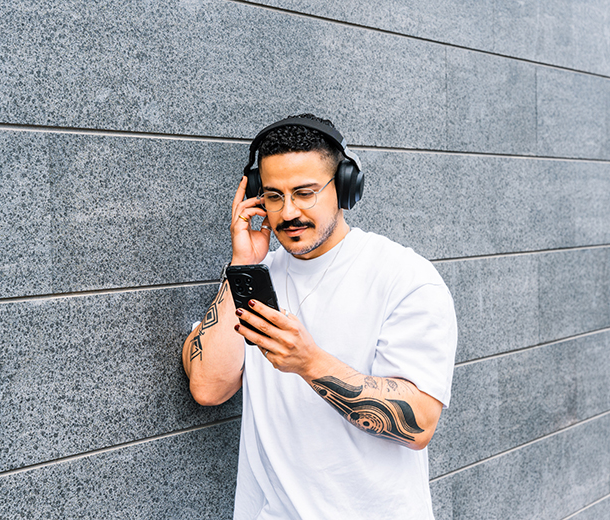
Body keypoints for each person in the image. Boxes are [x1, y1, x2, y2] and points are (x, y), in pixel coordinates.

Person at [182, 114, 457, 519]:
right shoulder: (258, 277)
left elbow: (419, 424)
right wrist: (243, 264)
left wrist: (310, 363)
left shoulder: (406, 279)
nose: (288, 212)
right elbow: (208, 388)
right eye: (274, 196)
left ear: (345, 187)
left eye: (305, 192)